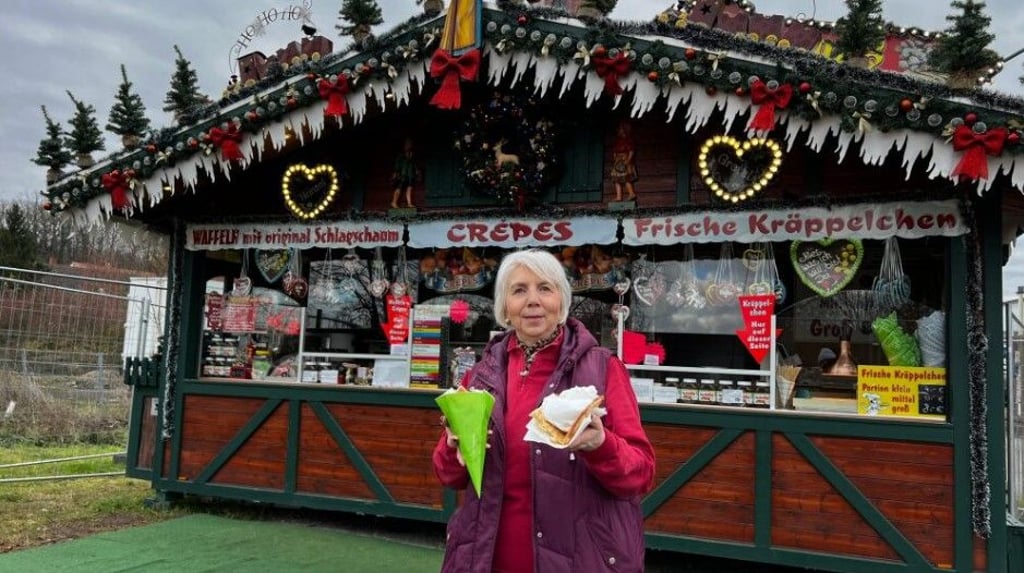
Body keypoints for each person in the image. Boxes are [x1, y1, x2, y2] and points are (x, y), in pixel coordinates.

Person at [432, 249, 655, 573]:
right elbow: (449, 475)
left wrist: (601, 445)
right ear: (505, 307)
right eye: (519, 290)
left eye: (545, 288)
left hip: (582, 561)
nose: (532, 300)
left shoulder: (603, 369)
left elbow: (641, 473)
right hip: (484, 559)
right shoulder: (479, 376)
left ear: (561, 301)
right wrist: (454, 448)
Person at [610, 120, 638, 202]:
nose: (618, 130)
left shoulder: (628, 140)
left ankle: (631, 193)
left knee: (626, 178)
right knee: (616, 179)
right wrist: (615, 157)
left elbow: (631, 151)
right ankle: (619, 196)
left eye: (620, 129)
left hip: (624, 160)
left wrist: (628, 160)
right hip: (618, 162)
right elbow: (615, 150)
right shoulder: (618, 141)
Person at [391, 137, 418, 208]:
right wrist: (395, 173)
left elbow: (414, 164)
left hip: (410, 175)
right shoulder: (401, 155)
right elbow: (397, 165)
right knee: (399, 188)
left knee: (409, 188)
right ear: (404, 145)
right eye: (407, 144)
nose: (409, 145)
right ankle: (394, 202)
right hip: (402, 174)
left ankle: (409, 203)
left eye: (410, 144)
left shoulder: (411, 155)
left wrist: (416, 171)